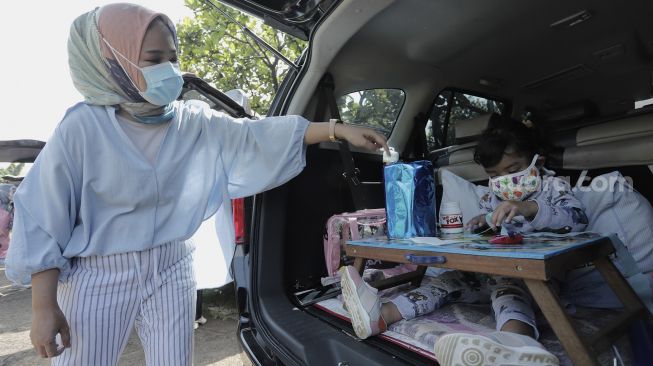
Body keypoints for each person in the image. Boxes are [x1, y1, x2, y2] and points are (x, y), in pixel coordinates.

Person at [5, 3, 388, 365]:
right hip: (98, 271)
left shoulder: (194, 122)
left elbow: (256, 136)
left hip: (173, 264)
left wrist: (338, 130)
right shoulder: (82, 128)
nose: (168, 69)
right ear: (113, 63)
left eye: (172, 58)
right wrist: (43, 307)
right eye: (154, 60)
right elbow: (44, 216)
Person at [340, 114, 588, 366]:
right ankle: (381, 315)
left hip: (535, 279)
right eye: (494, 175)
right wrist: (486, 220)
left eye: (512, 171)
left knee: (509, 292)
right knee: (446, 281)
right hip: (492, 272)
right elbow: (497, 228)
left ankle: (516, 345)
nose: (503, 181)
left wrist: (530, 208)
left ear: (538, 161)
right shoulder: (496, 195)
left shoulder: (554, 187)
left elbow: (577, 219)